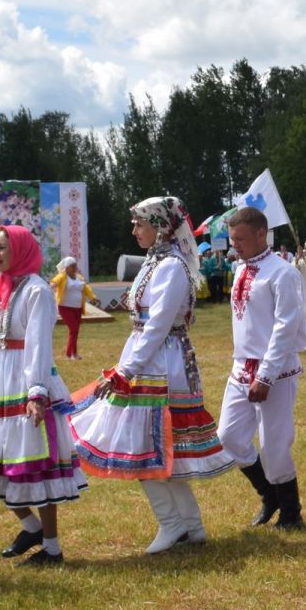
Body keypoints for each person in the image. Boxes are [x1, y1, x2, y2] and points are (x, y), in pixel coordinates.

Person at [68, 197, 231, 554]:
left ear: (159, 226)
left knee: (145, 448)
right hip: (149, 359)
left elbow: (157, 326)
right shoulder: (156, 263)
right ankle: (190, 526)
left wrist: (126, 370)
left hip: (160, 365)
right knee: (157, 450)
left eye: (140, 223)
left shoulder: (171, 267)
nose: (134, 229)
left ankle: (174, 524)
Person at [0, 226, 81, 567]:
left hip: (26, 381)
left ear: (21, 250)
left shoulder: (37, 291)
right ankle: (31, 527)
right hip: (0, 384)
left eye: (3, 248)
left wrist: (36, 393)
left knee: (33, 464)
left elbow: (39, 345)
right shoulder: (5, 287)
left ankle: (53, 548)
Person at [217, 205, 306, 528]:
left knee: (274, 443)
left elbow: (286, 327)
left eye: (240, 238)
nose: (235, 245)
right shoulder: (242, 269)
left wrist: (266, 375)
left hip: (276, 369)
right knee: (228, 435)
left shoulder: (282, 272)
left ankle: (291, 511)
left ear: (261, 234)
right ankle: (268, 494)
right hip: (241, 366)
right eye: (232, 239)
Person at [49, 256, 96, 362]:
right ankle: (70, 354)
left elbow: (86, 288)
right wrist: (52, 285)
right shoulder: (62, 276)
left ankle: (74, 353)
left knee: (75, 331)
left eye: (75, 265)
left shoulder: (79, 277)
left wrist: (93, 297)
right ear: (66, 267)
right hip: (65, 307)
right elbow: (54, 281)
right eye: (73, 266)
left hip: (78, 308)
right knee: (73, 329)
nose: (75, 268)